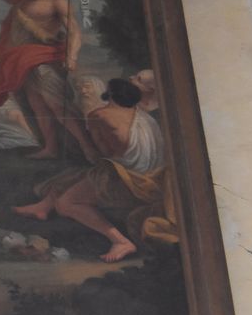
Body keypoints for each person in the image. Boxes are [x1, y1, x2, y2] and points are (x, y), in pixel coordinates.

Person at [15, 79, 165, 263]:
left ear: (108, 94)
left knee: (66, 203)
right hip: (152, 177)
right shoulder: (146, 118)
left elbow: (98, 153)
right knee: (79, 175)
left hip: (129, 181)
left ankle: (120, 241)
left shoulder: (99, 115)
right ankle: (43, 207)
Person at [0, 0, 98, 162]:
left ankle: (88, 148)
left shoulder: (57, 3)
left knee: (58, 105)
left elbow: (74, 32)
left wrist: (71, 56)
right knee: (38, 107)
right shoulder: (24, 1)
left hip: (45, 58)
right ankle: (50, 148)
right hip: (22, 60)